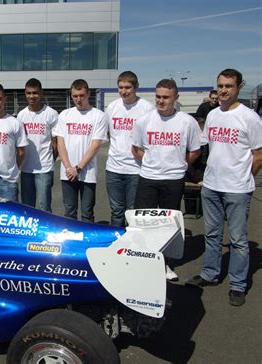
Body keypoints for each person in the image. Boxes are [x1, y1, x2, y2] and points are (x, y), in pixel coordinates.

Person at [186, 69, 262, 307]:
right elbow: (208, 148)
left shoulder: (250, 117)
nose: (223, 90)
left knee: (238, 239)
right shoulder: (213, 115)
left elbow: (258, 155)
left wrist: (242, 178)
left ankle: (238, 285)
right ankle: (210, 273)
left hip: (237, 188)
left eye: (229, 85)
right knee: (212, 233)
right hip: (211, 186)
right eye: (220, 85)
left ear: (239, 87)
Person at [132, 79, 201, 281]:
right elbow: (135, 148)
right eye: (158, 97)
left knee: (167, 225)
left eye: (166, 97)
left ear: (176, 98)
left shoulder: (187, 122)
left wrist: (177, 164)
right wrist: (153, 162)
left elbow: (195, 150)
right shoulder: (144, 121)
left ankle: (164, 265)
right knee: (142, 223)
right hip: (148, 178)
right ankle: (142, 263)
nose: (161, 101)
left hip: (173, 180)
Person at [105, 71, 155, 227]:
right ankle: (117, 244)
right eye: (120, 87)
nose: (123, 91)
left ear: (136, 87)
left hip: (136, 169)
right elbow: (107, 133)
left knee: (133, 212)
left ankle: (133, 247)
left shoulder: (147, 108)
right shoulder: (112, 107)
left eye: (127, 87)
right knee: (116, 210)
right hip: (113, 168)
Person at [55, 79, 108, 222]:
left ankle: (87, 242)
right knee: (70, 212)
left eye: (82, 95)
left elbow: (95, 145)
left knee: (87, 213)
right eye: (75, 96)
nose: (78, 99)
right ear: (71, 96)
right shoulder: (65, 115)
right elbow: (60, 143)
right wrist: (68, 167)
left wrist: (78, 168)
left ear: (88, 94)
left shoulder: (98, 115)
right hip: (67, 172)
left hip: (87, 172)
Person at [17, 78, 59, 212]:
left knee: (44, 207)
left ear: (41, 93)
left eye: (35, 93)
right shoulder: (21, 115)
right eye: (28, 93)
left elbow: (56, 142)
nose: (32, 96)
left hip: (44, 169)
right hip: (26, 169)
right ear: (25, 93)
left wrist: (50, 161)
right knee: (27, 207)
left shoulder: (51, 114)